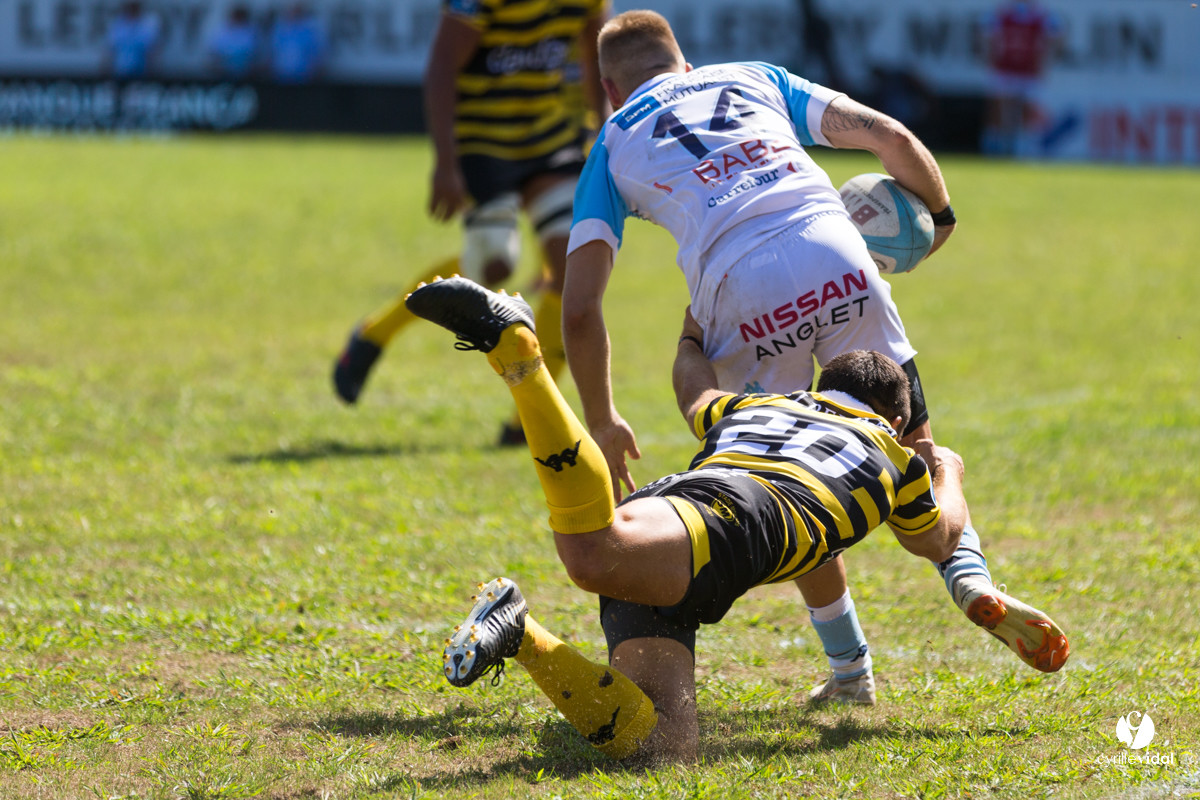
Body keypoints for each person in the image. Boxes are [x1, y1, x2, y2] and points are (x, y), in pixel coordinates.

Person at [561, 10, 1065, 704]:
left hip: (740, 288)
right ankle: (970, 578)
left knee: (785, 471)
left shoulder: (613, 141)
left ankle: (851, 670)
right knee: (913, 446)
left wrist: (603, 418)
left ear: (610, 90)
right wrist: (940, 218)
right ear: (685, 64)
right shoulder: (752, 78)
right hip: (836, 253)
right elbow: (890, 137)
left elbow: (580, 309)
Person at [404, 275, 1066, 764]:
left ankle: (519, 634)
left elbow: (692, 388)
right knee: (592, 554)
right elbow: (941, 538)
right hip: (737, 518)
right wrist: (948, 470)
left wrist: (692, 331)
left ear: (821, 389)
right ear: (895, 418)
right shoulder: (896, 458)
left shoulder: (761, 405)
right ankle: (522, 360)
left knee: (662, 746)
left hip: (681, 513)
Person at [332, 0, 610, 447]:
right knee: (492, 267)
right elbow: (443, 66)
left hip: (553, 139)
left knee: (571, 269)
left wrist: (605, 131)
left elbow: (595, 52)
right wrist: (446, 163)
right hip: (484, 142)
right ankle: (372, 335)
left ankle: (529, 420)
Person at [980, 0, 1063, 157]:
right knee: (1000, 109)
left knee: (1027, 110)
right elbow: (987, 36)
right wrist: (991, 59)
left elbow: (1055, 38)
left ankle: (1023, 147)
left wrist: (1044, 63)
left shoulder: (1041, 16)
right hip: (1005, 67)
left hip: (1028, 70)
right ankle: (996, 146)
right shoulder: (1002, 13)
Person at [267, 3, 325, 85]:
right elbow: (273, 52)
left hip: (302, 77)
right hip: (280, 76)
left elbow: (314, 55)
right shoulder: (280, 30)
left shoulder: (308, 32)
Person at [103, 1, 162, 80]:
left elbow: (153, 53)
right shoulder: (117, 23)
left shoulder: (149, 23)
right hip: (120, 74)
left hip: (142, 75)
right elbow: (110, 51)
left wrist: (154, 74)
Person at [206, 4, 263, 80]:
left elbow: (255, 53)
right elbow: (214, 51)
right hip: (222, 70)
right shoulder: (222, 30)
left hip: (245, 71)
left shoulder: (252, 31)